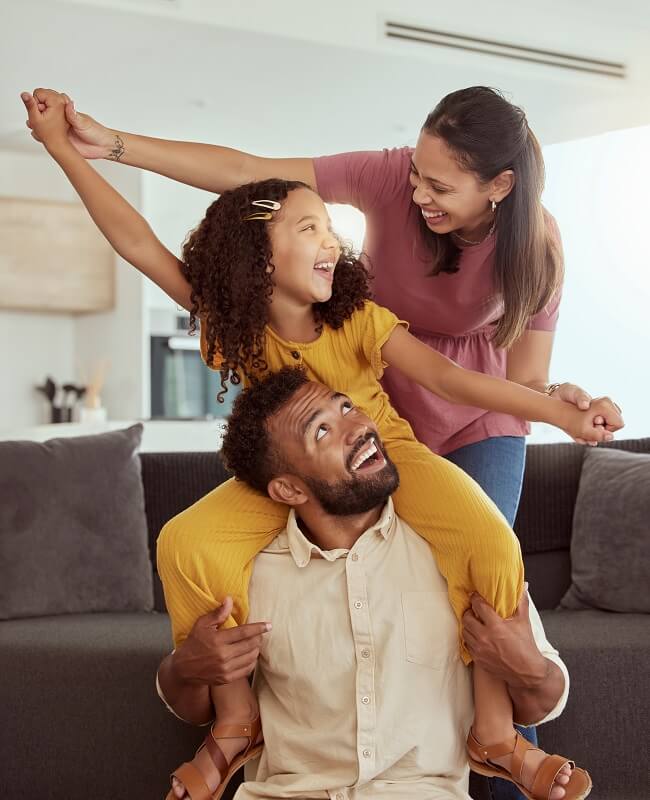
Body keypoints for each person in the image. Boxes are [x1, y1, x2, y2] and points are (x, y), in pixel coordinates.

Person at [23, 89, 611, 800]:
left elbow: (453, 380)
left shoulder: (359, 318)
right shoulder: (232, 326)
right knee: (185, 545)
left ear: (499, 187)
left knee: (490, 542)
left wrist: (558, 412)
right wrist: (68, 148)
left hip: (391, 453)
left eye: (327, 227)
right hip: (288, 472)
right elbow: (139, 241)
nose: (333, 239)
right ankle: (236, 724)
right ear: (258, 263)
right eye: (310, 229)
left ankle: (494, 733)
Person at [157, 366, 591, 800]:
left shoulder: (459, 551)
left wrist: (528, 667)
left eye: (346, 406)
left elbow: (541, 701)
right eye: (322, 431)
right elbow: (193, 706)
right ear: (288, 490)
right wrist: (184, 669)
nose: (358, 427)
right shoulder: (247, 572)